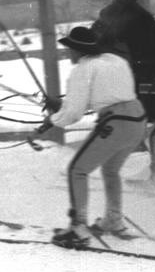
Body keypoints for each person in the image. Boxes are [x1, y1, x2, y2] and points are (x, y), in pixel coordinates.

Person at [35, 26, 147, 249]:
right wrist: (65, 108)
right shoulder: (116, 60)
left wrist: (53, 120)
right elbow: (108, 93)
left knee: (77, 170)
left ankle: (78, 228)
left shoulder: (82, 69)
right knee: (110, 170)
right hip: (138, 119)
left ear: (77, 51)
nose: (68, 55)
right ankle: (113, 220)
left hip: (115, 122)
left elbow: (74, 114)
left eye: (69, 50)